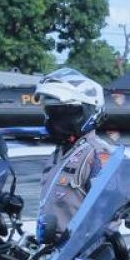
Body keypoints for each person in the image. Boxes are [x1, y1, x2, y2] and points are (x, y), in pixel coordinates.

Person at [32, 68, 111, 244]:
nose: (52, 120)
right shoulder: (61, 152)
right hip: (51, 255)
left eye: (59, 113)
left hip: (75, 256)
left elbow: (107, 218)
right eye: (50, 113)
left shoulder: (96, 154)